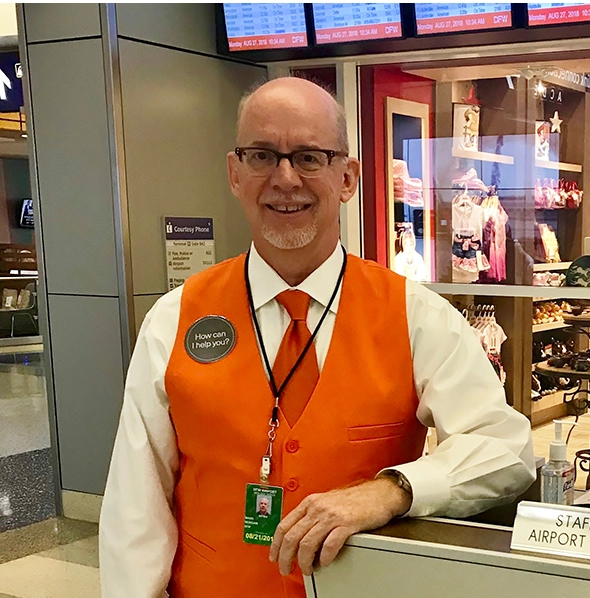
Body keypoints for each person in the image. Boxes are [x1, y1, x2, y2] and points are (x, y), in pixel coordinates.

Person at [99, 77, 536, 598]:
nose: (285, 178)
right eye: (262, 155)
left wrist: (393, 490)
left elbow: (506, 448)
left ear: (347, 177)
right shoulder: (174, 320)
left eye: (309, 157)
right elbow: (136, 504)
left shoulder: (418, 317)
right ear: (235, 174)